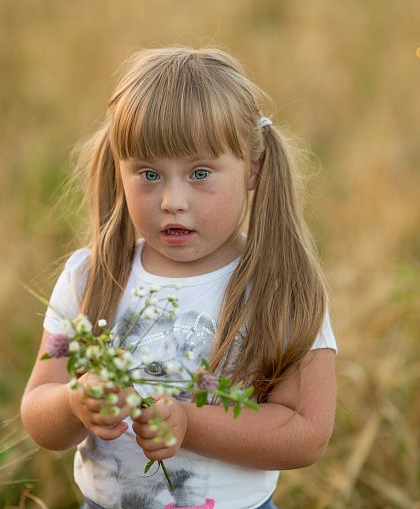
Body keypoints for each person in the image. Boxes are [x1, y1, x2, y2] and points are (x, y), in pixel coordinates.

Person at [21, 46, 338, 509]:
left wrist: (190, 424)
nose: (171, 200)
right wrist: (73, 403)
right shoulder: (91, 278)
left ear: (253, 168)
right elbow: (36, 410)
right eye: (148, 173)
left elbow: (307, 434)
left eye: (200, 172)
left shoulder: (278, 288)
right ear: (119, 169)